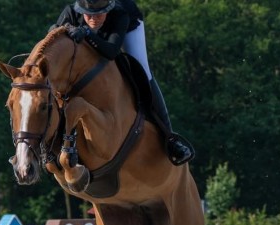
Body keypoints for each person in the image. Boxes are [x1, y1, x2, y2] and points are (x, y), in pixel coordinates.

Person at [51, 0, 194, 165]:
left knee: (143, 71)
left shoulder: (120, 13)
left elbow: (111, 51)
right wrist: (64, 30)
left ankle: (170, 138)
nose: (93, 19)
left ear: (108, 9)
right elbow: (52, 33)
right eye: (88, 14)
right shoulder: (71, 12)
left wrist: (87, 33)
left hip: (127, 30)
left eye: (99, 14)